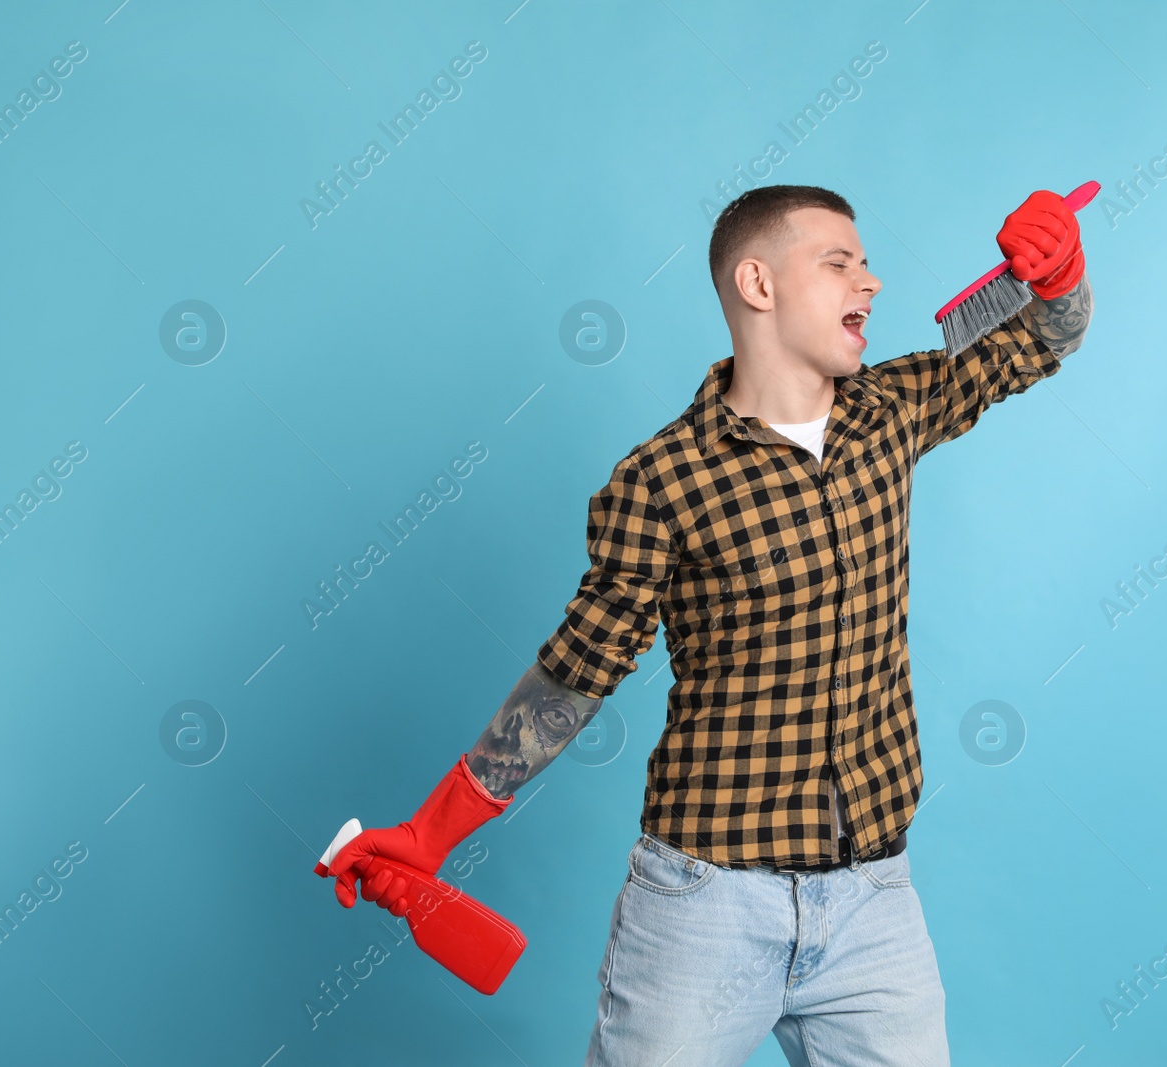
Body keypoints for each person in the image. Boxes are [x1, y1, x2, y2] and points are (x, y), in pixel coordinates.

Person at [326, 182, 1094, 1065]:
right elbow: (577, 672)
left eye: (867, 261)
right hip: (704, 907)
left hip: (876, 902)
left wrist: (1063, 271)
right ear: (757, 284)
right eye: (839, 262)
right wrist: (431, 831)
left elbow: (1041, 341)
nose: (871, 282)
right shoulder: (659, 481)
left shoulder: (892, 410)